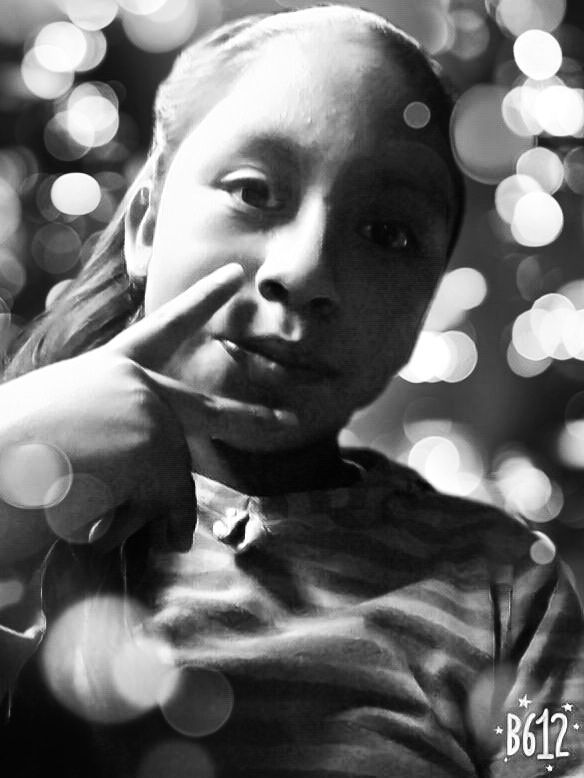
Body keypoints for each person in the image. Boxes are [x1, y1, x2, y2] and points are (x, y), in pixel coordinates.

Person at [0, 5, 582, 777]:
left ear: (423, 308)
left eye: (388, 234)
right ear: (144, 225)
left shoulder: (506, 584)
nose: (305, 271)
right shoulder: (31, 512)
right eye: (252, 191)